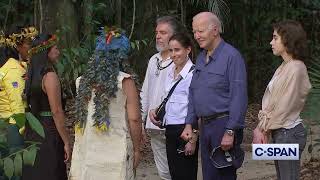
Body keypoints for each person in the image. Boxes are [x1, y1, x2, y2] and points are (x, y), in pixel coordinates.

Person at [180, 12, 248, 180]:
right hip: (205, 127)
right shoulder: (202, 57)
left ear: (215, 30)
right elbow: (193, 92)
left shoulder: (232, 57)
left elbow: (239, 97)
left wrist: (230, 131)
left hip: (223, 125)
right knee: (208, 176)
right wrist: (190, 123)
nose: (196, 36)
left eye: (200, 31)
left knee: (224, 174)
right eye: (194, 31)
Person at [69, 27, 142, 180]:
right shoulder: (125, 81)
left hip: (88, 152)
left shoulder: (81, 81)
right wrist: (136, 149)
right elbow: (134, 119)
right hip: (116, 154)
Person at [253, 20, 311, 180]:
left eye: (275, 38)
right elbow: (273, 104)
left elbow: (285, 107)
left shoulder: (297, 68)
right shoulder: (284, 66)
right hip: (280, 132)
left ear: (288, 40)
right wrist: (262, 128)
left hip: (289, 133)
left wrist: (263, 129)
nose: (271, 42)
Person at [140, 16, 185, 180]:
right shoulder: (154, 60)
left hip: (173, 125)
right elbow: (145, 92)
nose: (158, 36)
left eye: (163, 32)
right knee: (163, 172)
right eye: (157, 32)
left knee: (177, 169)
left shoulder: (180, 61)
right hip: (153, 125)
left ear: (173, 36)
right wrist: (141, 120)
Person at [149, 32, 198, 180]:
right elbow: (169, 99)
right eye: (171, 50)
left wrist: (193, 138)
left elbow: (196, 107)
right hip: (170, 130)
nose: (173, 54)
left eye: (177, 50)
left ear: (188, 50)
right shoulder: (170, 73)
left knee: (186, 175)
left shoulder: (194, 73)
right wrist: (155, 110)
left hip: (185, 130)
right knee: (174, 175)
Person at [22, 34, 71, 180]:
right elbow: (56, 111)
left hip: (33, 130)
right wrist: (67, 141)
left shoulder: (31, 75)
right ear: (46, 51)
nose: (58, 52)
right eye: (55, 48)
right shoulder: (49, 76)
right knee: (50, 171)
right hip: (49, 133)